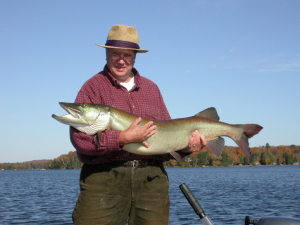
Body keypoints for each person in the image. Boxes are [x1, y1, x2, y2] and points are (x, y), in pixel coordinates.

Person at [70, 24, 206, 225]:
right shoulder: (92, 87)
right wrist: (122, 139)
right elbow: (81, 140)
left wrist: (186, 147)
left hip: (151, 180)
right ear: (107, 53)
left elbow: (166, 141)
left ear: (135, 56)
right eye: (116, 54)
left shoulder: (151, 89)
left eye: (128, 54)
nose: (122, 60)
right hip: (104, 178)